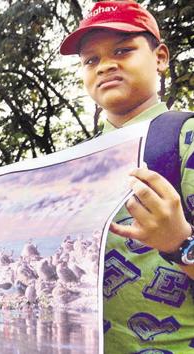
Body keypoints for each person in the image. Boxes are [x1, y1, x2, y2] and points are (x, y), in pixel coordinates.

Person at [58, 1, 194, 352]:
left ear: (160, 57)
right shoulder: (72, 165)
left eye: (123, 50)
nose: (106, 65)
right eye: (91, 60)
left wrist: (180, 244)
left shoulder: (185, 138)